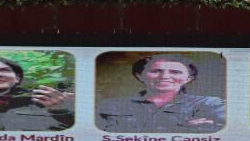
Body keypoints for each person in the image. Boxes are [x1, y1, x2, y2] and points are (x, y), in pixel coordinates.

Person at [96, 54, 225, 133]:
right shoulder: (107, 106)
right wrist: (182, 128)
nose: (164, 76)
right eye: (155, 71)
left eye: (175, 72)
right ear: (140, 76)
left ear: (188, 79)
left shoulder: (209, 104)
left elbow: (218, 135)